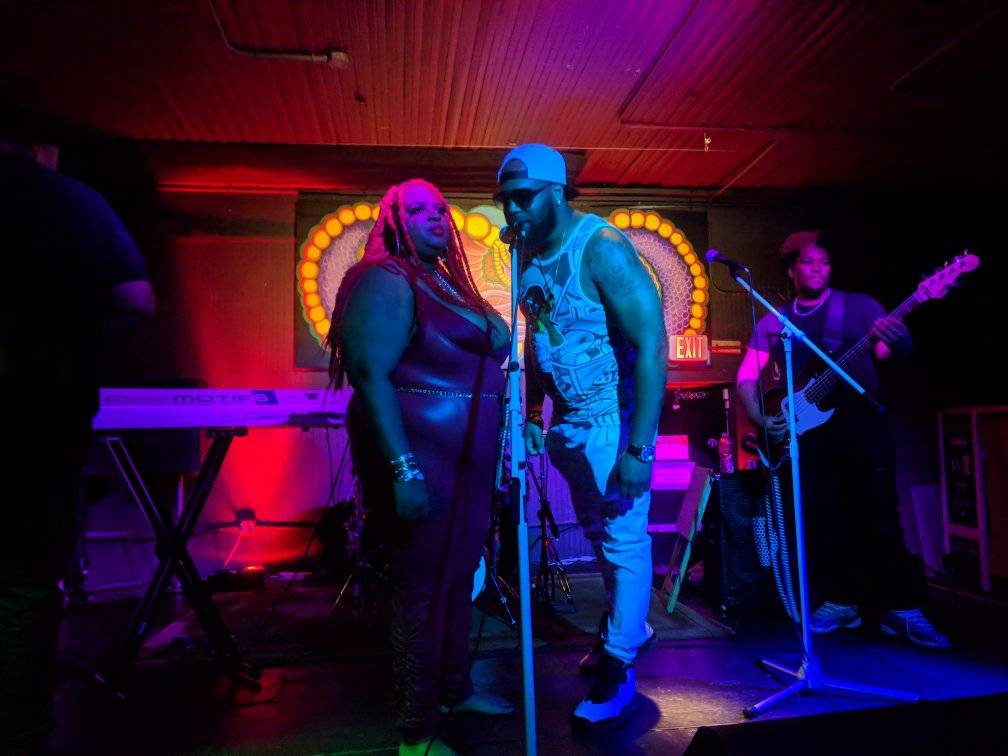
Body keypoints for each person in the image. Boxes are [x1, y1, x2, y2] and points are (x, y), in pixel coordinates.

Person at [327, 179, 512, 756]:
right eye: (418, 209)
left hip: (469, 463)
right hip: (424, 459)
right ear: (392, 220)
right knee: (420, 589)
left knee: (460, 580)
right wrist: (403, 468)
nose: (435, 216)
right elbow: (368, 374)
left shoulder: (448, 281)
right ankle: (416, 732)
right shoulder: (387, 278)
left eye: (439, 208)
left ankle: (455, 691)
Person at [497, 144, 668, 727]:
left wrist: (639, 449)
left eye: (523, 199)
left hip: (613, 424)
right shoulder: (526, 255)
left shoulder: (603, 246)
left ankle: (620, 664)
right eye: (506, 202)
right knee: (599, 535)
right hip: (569, 425)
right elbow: (536, 336)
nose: (511, 212)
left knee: (623, 540)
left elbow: (652, 344)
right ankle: (628, 627)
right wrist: (534, 414)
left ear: (556, 191)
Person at [0, 135, 155, 753]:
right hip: (36, 416)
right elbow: (135, 302)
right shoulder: (68, 201)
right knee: (22, 582)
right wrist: (70, 365)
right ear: (39, 147)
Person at [735, 229, 949, 649]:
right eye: (809, 262)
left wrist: (898, 339)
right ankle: (840, 602)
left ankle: (902, 608)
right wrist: (761, 418)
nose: (818, 268)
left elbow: (889, 354)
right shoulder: (775, 320)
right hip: (810, 434)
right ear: (792, 269)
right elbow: (745, 375)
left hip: (862, 424)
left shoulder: (860, 306)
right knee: (824, 521)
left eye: (825, 262)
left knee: (881, 517)